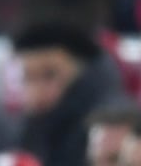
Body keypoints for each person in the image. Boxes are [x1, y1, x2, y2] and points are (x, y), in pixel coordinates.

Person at [14, 21, 126, 166]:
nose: (36, 91)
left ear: (84, 72)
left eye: (49, 75)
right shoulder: (39, 122)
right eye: (27, 77)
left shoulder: (113, 123)